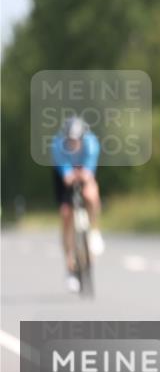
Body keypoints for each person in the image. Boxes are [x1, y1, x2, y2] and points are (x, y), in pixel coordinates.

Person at [51, 116, 103, 292]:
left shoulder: (91, 143)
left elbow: (89, 170)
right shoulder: (57, 145)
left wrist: (85, 175)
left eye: (76, 141)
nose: (72, 144)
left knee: (91, 194)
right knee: (66, 214)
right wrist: (69, 175)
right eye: (69, 141)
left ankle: (94, 230)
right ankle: (70, 265)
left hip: (84, 169)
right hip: (64, 175)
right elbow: (64, 172)